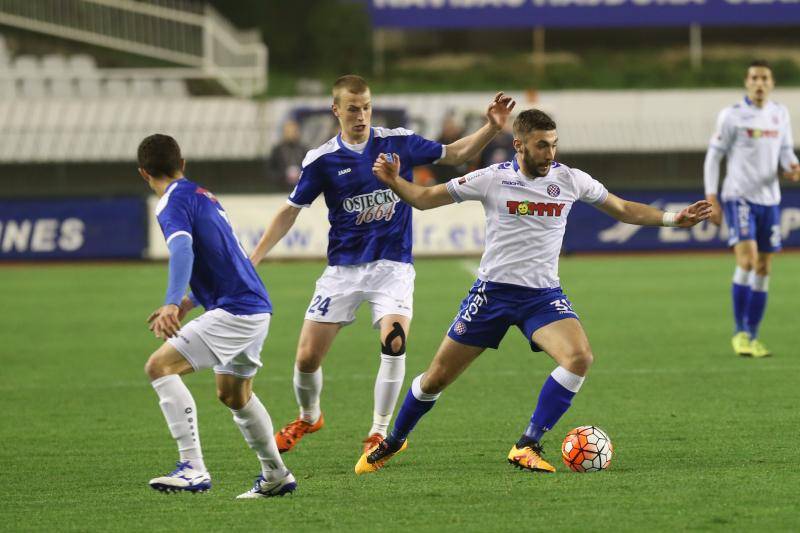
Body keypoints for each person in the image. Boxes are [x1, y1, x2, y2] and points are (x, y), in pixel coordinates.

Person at [356, 109, 711, 474]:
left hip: (541, 297)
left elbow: (621, 208)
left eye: (554, 145)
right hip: (492, 295)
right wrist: (396, 181)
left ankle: (527, 444)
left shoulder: (571, 180)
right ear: (519, 145)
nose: (550, 153)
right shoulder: (492, 178)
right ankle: (394, 439)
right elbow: (426, 198)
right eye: (542, 146)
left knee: (579, 358)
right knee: (436, 378)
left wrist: (672, 219)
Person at [250, 75, 515, 456]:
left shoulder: (398, 143)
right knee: (307, 358)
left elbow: (454, 154)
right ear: (336, 110)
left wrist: (491, 127)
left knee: (394, 341)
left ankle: (380, 432)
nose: (361, 115)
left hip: (392, 266)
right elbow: (289, 212)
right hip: (342, 270)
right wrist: (254, 258)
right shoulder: (322, 160)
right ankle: (309, 417)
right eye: (353, 108)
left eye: (367, 107)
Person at [139, 134, 295, 498]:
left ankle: (192, 467)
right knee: (234, 396)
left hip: (236, 311)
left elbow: (182, 250)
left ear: (143, 173)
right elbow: (228, 257)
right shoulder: (203, 195)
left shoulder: (170, 204)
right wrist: (190, 301)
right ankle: (276, 475)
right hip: (254, 307)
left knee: (159, 367)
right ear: (184, 163)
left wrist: (170, 300)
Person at [703, 59, 800, 358]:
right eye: (755, 78)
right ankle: (739, 333)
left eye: (765, 78)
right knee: (747, 261)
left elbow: (785, 151)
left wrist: (792, 167)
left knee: (764, 267)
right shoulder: (732, 116)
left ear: (772, 83)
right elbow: (713, 157)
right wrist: (712, 198)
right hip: (738, 196)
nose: (760, 83)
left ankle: (753, 335)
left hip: (769, 200)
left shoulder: (779, 113)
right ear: (747, 82)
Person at [268, 119, 307, 187]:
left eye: (294, 131)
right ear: (284, 132)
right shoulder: (277, 150)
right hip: (281, 188)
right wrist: (283, 176)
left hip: (301, 188)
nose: (291, 134)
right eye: (289, 131)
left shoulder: (303, 149)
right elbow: (270, 170)